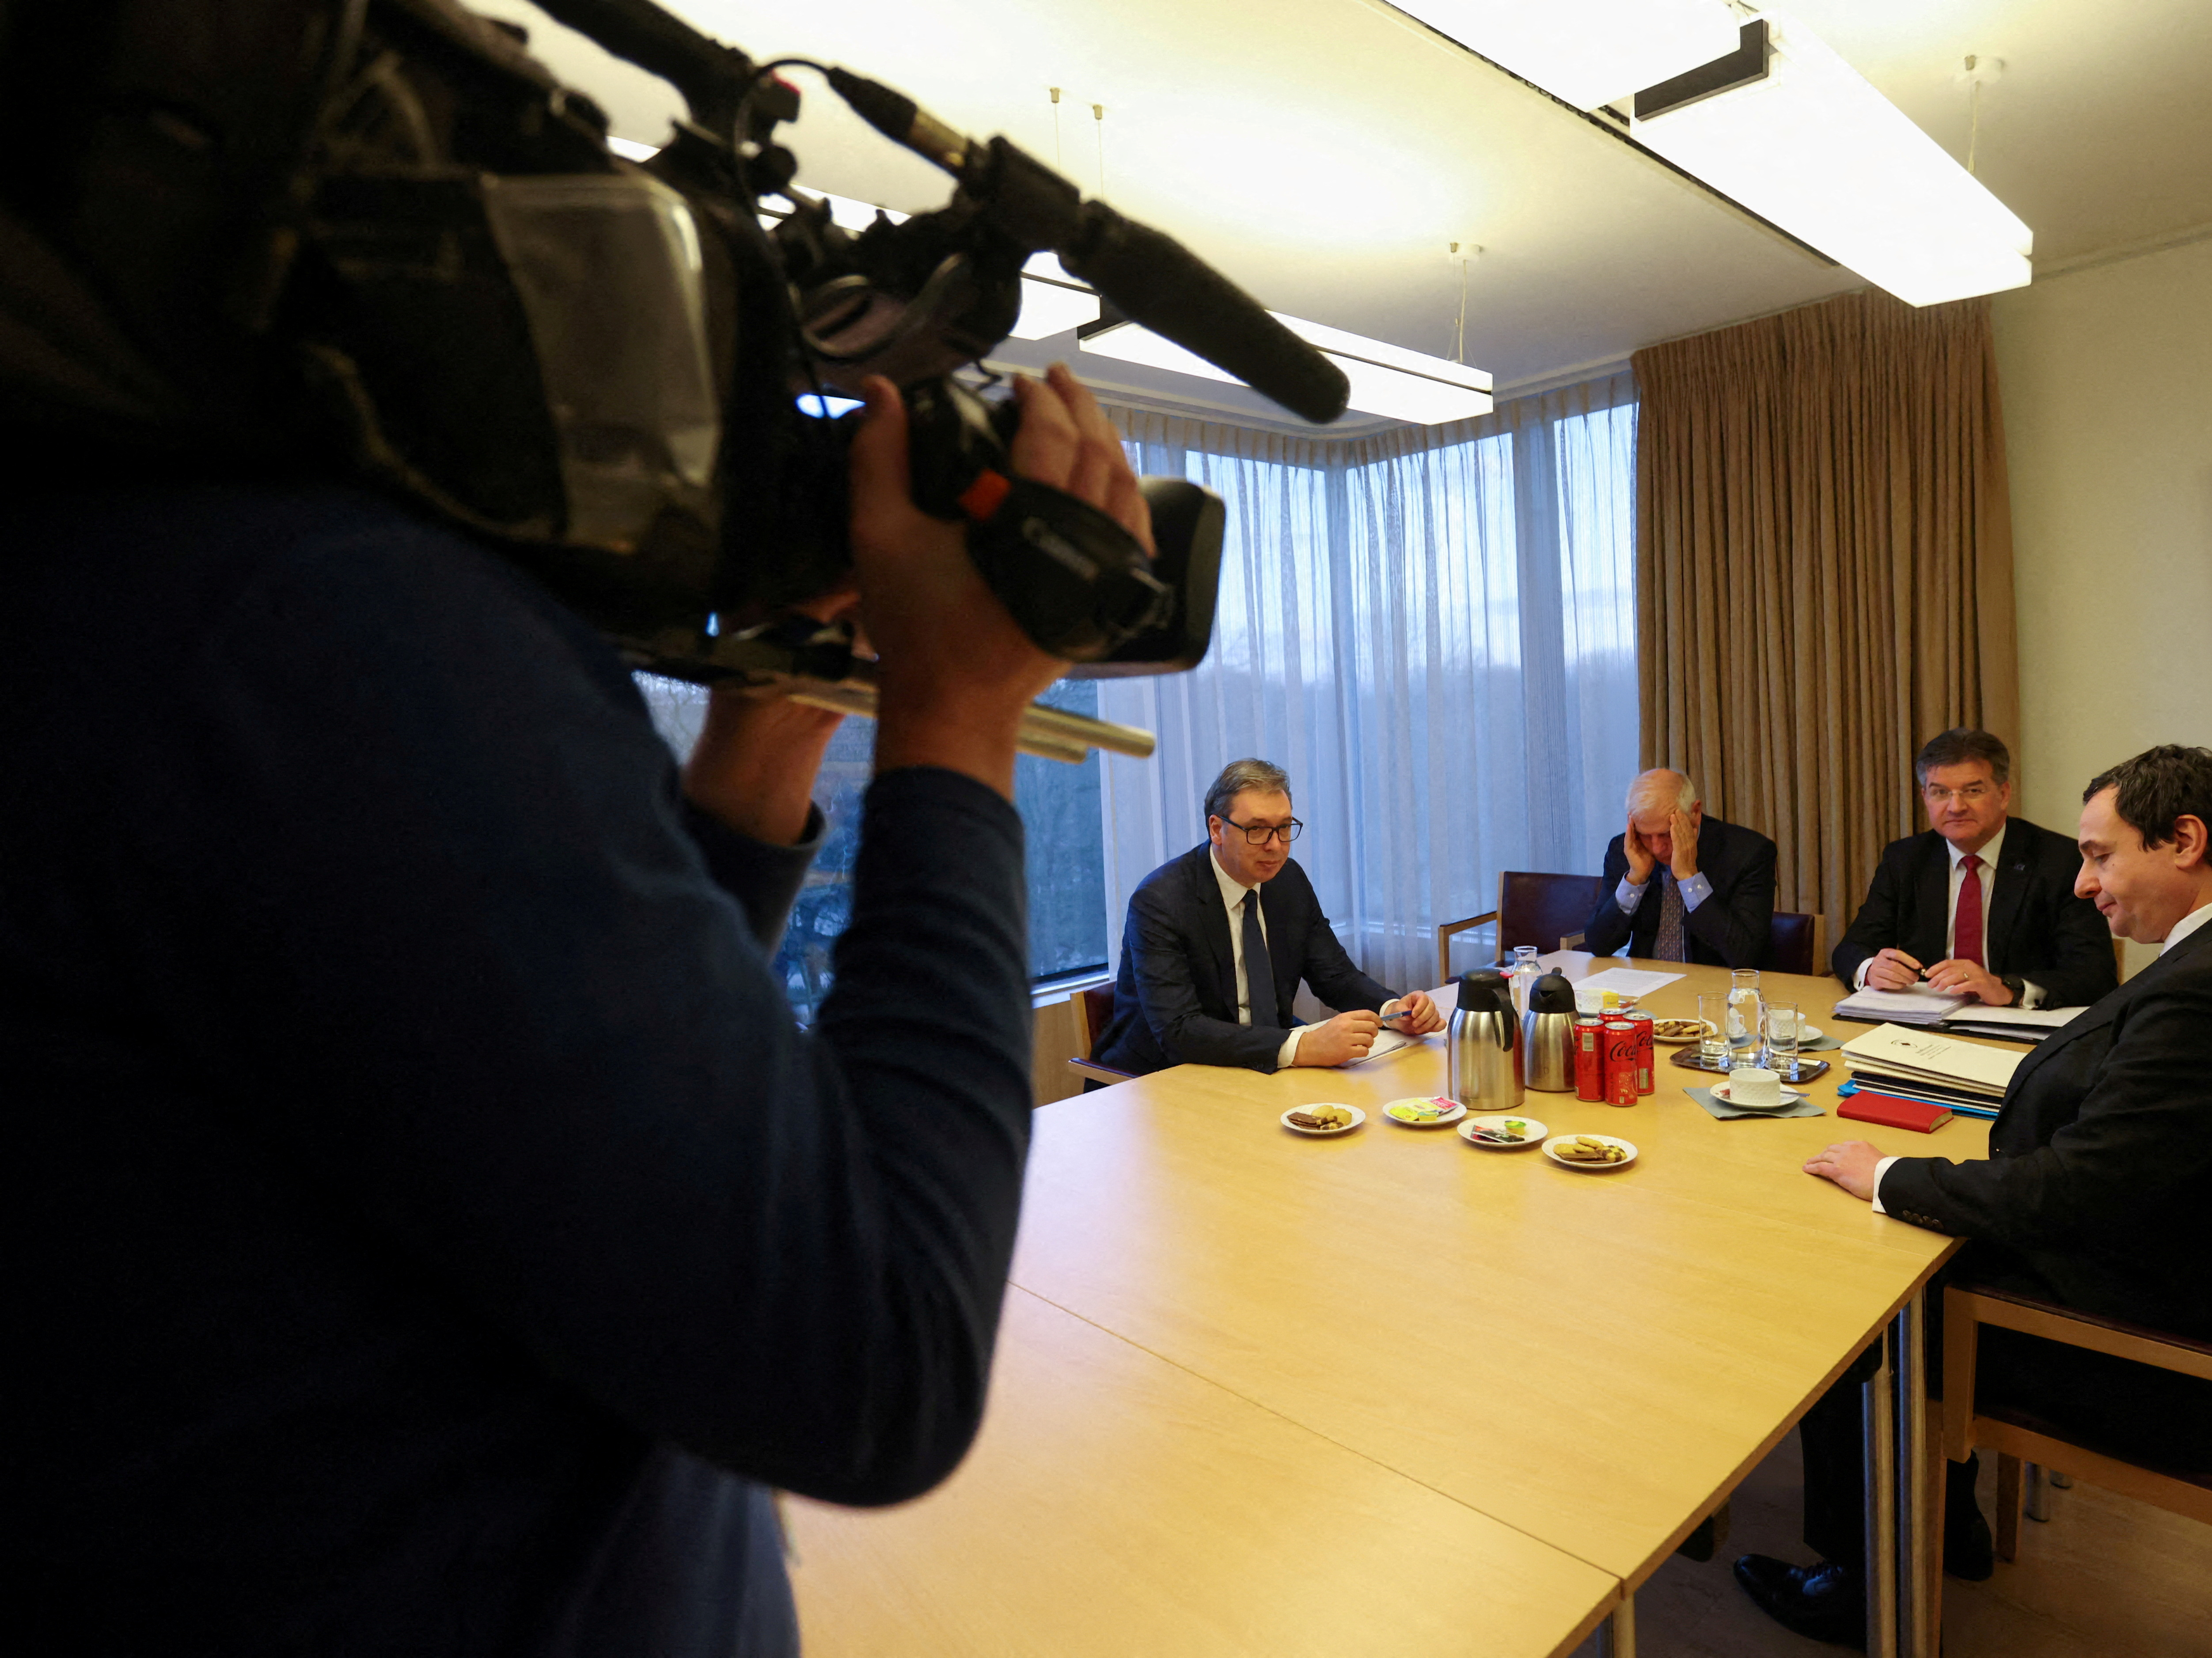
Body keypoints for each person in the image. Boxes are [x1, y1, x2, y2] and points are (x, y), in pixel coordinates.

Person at [8, 347, 1153, 1647]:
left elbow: (594, 1124)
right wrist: (955, 721)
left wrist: (767, 738)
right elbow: (880, 1355)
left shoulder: (142, 600)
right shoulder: (316, 620)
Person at [1736, 746, 2212, 1647]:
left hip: (2173, 1359)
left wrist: (1886, 1173)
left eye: (2100, 854)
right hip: (2211, 1277)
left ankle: (1861, 1578)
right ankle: (1942, 1522)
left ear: (2184, 840)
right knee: (1914, 1262)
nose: (2082, 883)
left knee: (1861, 1309)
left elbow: (2076, 1188)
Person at [1089, 758, 1446, 1075]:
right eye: (1257, 829)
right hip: (1164, 1077)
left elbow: (1334, 975)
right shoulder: (1161, 901)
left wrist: (1393, 1010)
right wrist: (1302, 1048)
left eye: (1285, 827)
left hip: (1260, 1062)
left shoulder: (1288, 881)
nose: (1276, 846)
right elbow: (1180, 1030)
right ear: (1217, 829)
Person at [1831, 727, 2116, 1010]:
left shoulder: (2060, 860)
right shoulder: (1905, 859)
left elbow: (2094, 975)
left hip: (2016, 1023)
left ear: (2004, 794)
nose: (1956, 807)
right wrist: (1869, 969)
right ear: (1925, 797)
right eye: (1940, 792)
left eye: (1973, 791)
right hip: (1922, 1024)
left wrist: (2007, 989)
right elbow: (1852, 948)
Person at [1580, 768, 1776, 967]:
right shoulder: (1625, 850)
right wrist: (1634, 880)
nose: (1656, 848)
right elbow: (1599, 945)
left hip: (1714, 988)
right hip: (1645, 983)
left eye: (1666, 834)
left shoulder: (1748, 853)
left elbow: (1746, 956)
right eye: (1646, 835)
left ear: (1695, 813)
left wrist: (1689, 877)